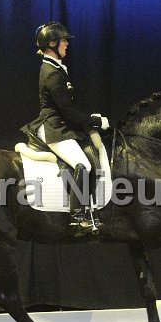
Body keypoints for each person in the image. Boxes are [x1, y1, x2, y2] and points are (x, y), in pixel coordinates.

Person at [20, 21, 109, 233]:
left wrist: (89, 118)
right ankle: (78, 217)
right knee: (83, 165)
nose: (67, 44)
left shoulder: (56, 68)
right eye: (63, 40)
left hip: (60, 124)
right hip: (53, 127)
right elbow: (67, 111)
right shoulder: (52, 73)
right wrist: (95, 121)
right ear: (52, 43)